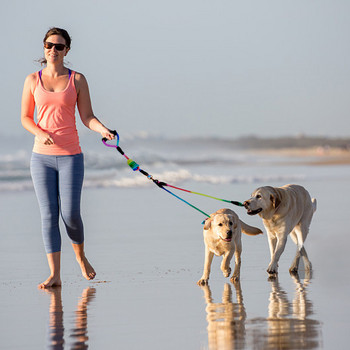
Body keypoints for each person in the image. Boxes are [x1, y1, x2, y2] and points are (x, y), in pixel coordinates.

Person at [21, 27, 115, 289]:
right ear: (44, 47)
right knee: (49, 215)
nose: (53, 50)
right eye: (49, 45)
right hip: (41, 158)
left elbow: (87, 117)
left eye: (59, 46)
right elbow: (25, 118)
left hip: (71, 156)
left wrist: (104, 130)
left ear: (67, 51)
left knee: (71, 214)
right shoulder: (32, 80)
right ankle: (55, 275)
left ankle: (81, 257)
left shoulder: (77, 80)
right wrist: (39, 132)